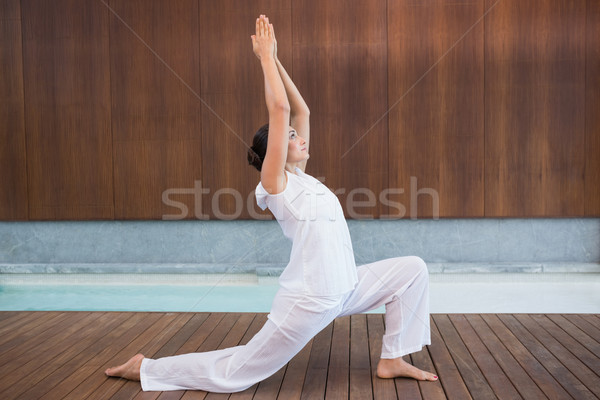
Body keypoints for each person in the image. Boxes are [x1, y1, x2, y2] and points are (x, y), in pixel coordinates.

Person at [105, 14, 438, 392]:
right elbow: (280, 112)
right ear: (274, 154)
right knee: (237, 374)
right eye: (290, 138)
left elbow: (302, 111)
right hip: (311, 299)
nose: (299, 138)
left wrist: (277, 58)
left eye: (296, 136)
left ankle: (393, 357)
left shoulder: (303, 177)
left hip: (346, 287)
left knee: (413, 270)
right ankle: (147, 368)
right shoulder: (275, 183)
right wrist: (263, 57)